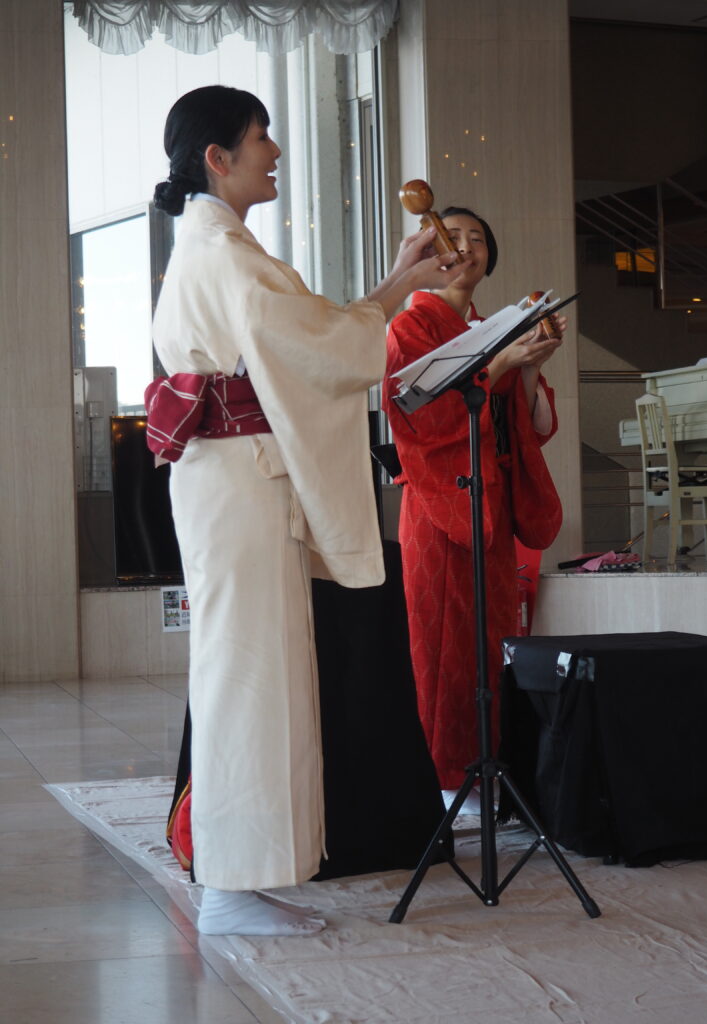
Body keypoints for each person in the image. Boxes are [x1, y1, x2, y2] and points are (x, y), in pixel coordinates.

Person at [148, 85, 463, 937]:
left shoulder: (221, 246)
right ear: (217, 157)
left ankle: (246, 875)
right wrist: (396, 293)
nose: (275, 151)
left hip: (239, 479)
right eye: (262, 137)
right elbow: (315, 346)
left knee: (264, 669)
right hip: (237, 483)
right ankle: (229, 885)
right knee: (247, 672)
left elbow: (308, 337)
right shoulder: (220, 251)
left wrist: (395, 284)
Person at [382, 206, 566, 803]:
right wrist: (498, 366)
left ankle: (486, 769)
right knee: (441, 643)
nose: (465, 248)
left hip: (489, 505)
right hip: (441, 505)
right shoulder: (410, 328)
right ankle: (441, 778)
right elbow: (421, 421)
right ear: (426, 253)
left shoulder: (496, 326)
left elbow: (530, 426)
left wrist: (530, 368)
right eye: (450, 237)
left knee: (488, 643)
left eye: (477, 239)